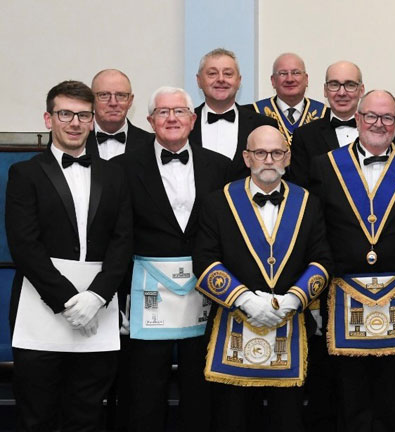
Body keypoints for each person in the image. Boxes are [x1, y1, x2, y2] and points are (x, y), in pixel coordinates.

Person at [7, 80, 132, 431]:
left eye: (83, 115)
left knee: (87, 412)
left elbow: (123, 242)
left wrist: (97, 297)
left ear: (92, 120)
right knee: (38, 413)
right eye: (66, 114)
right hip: (39, 309)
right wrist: (67, 301)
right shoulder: (24, 174)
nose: (75, 123)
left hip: (99, 310)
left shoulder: (115, 175)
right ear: (49, 119)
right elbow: (24, 246)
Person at [194, 125, 331, 432]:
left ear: (288, 157)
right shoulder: (219, 202)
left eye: (277, 152)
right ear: (247, 157)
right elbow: (204, 261)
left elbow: (322, 260)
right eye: (260, 152)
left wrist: (294, 299)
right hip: (234, 324)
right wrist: (243, 299)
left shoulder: (308, 202)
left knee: (289, 420)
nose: (269, 159)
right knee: (233, 419)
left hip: (292, 326)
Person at [113, 86, 232, 432]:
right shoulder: (122, 167)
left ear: (192, 119)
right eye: (162, 112)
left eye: (179, 111)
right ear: (149, 120)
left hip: (205, 292)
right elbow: (119, 233)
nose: (171, 118)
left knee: (202, 386)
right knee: (145, 389)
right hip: (146, 294)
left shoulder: (220, 166)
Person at [310, 90, 395, 432]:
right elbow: (315, 232)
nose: (379, 124)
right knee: (350, 391)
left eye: (387, 117)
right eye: (371, 116)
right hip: (342, 293)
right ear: (358, 119)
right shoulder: (325, 166)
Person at [189, 48, 276, 176]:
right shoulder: (184, 124)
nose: (221, 79)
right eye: (212, 73)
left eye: (228, 74)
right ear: (199, 81)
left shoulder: (263, 125)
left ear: (239, 81)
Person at [286, 61, 363, 188]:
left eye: (350, 85)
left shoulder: (377, 132)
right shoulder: (304, 136)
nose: (342, 92)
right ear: (325, 91)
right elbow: (301, 191)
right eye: (334, 85)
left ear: (361, 90)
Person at [254, 53, 328, 142]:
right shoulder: (255, 113)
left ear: (306, 79)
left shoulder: (325, 114)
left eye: (296, 73)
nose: (290, 79)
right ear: (273, 81)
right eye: (283, 73)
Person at [89, 69, 152, 159]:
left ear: (130, 101)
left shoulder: (151, 144)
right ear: (92, 100)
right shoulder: (76, 140)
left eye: (121, 95)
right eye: (104, 95)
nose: (113, 103)